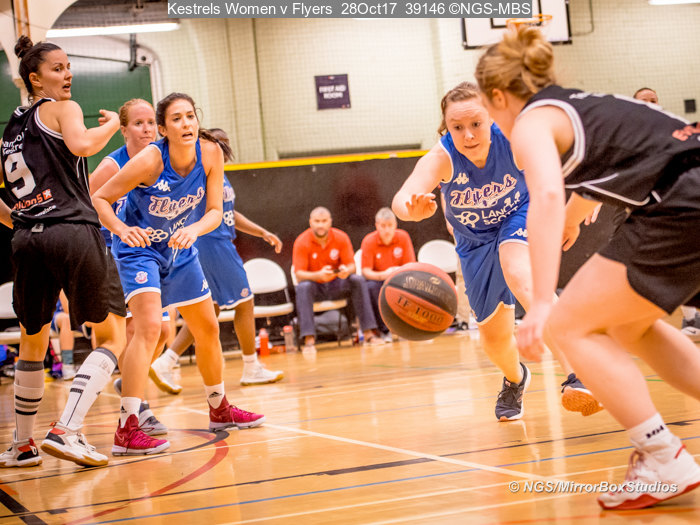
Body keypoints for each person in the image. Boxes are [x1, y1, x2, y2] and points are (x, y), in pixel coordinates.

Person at [474, 23, 700, 509]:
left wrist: (540, 304)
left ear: (498, 97)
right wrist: (575, 217)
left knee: (570, 324)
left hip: (681, 203)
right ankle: (662, 455)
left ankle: (663, 456)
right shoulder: (578, 104)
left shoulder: (531, 121)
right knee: (627, 326)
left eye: (488, 113)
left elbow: (546, 194)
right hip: (689, 191)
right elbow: (624, 161)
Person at [392, 81, 596, 421]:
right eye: (458, 127)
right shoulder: (443, 157)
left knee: (519, 272)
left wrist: (586, 196)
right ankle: (516, 379)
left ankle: (580, 371)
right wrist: (411, 210)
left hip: (518, 215)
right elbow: (402, 198)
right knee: (494, 339)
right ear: (447, 128)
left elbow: (570, 155)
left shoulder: (514, 139)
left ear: (491, 118)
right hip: (473, 242)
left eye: (476, 123)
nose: (469, 135)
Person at [93, 93, 264, 456]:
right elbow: (99, 199)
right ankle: (127, 427)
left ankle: (219, 408)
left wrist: (194, 229)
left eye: (190, 116)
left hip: (179, 246)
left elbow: (215, 210)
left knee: (208, 328)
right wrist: (122, 230)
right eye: (176, 119)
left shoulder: (211, 153)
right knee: (149, 328)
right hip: (139, 249)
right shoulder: (150, 160)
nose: (186, 124)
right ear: (164, 129)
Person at [0, 36, 127, 468]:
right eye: (58, 68)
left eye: (68, 66)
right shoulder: (63, 108)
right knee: (112, 336)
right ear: (35, 79)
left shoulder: (11, 129)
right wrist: (113, 125)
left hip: (27, 238)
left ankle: (22, 445)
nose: (67, 74)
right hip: (71, 230)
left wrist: (24, 222)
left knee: (32, 339)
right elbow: (82, 145)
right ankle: (66, 429)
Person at [150, 128, 284, 391]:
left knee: (208, 312)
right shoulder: (200, 172)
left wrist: (261, 232)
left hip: (211, 244)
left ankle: (165, 362)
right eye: (217, 142)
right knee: (245, 302)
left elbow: (228, 212)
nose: (223, 146)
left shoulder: (219, 174)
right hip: (213, 244)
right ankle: (251, 367)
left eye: (225, 142)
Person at [89, 98, 169, 436]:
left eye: (151, 122)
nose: (147, 129)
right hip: (113, 251)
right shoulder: (113, 165)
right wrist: (116, 229)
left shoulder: (161, 158)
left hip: (150, 251)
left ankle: (130, 381)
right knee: (135, 331)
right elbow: (86, 203)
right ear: (123, 130)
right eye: (138, 123)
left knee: (162, 333)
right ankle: (139, 409)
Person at [293, 207, 382, 352]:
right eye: (317, 221)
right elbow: (299, 275)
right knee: (303, 287)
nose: (320, 225)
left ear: (330, 222)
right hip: (316, 286)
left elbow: (352, 266)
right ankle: (309, 340)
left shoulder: (341, 237)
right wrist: (318, 275)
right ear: (310, 222)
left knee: (357, 280)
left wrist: (345, 271)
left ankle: (369, 334)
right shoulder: (302, 241)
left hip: (336, 284)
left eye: (324, 221)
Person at [359, 207, 416, 342]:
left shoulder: (403, 237)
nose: (387, 230)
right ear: (376, 226)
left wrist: (396, 273)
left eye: (390, 225)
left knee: (414, 281)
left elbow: (411, 266)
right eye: (383, 226)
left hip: (400, 278)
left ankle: (412, 326)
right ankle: (384, 331)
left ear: (395, 225)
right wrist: (383, 275)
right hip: (379, 280)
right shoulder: (369, 241)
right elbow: (366, 272)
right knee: (370, 287)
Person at [50, 291, 76, 380]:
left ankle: (101, 364)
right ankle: (67, 366)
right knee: (67, 319)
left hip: (77, 314)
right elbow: (67, 310)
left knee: (99, 318)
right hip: (57, 314)